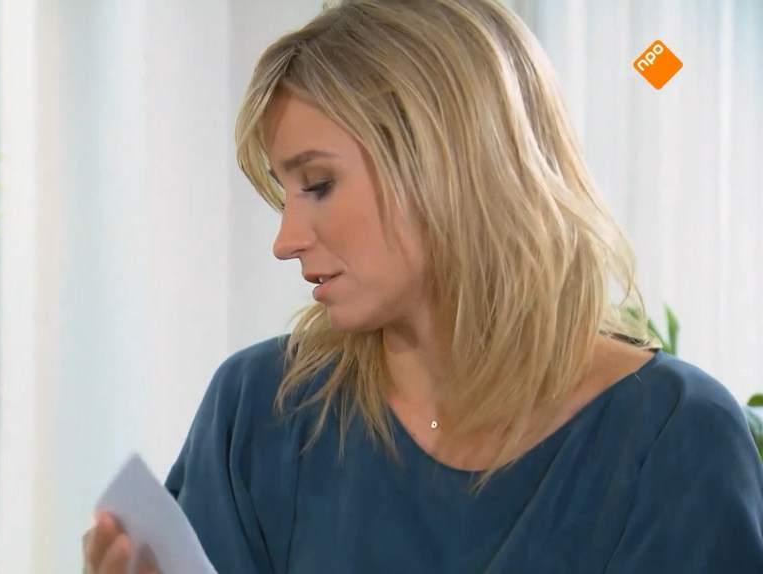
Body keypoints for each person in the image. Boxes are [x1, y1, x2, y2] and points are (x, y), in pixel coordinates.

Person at [82, 0, 763, 572]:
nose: (284, 240)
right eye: (284, 194)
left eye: (318, 184)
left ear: (450, 162)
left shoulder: (676, 441)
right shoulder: (260, 411)